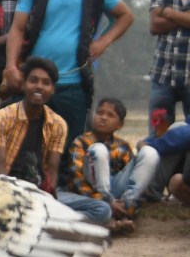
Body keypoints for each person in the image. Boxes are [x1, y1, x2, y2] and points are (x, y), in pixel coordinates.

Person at [3, 0, 134, 186]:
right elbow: (17, 29)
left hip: (74, 85)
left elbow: (125, 16)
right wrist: (10, 66)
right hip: (34, 83)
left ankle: (64, 202)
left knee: (67, 150)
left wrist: (103, 42)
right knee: (24, 146)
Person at [59, 97, 159, 233]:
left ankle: (125, 209)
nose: (103, 118)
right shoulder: (80, 142)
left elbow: (131, 178)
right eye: (100, 113)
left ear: (120, 125)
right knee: (98, 149)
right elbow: (77, 181)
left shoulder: (123, 146)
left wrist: (129, 206)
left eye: (110, 115)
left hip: (116, 193)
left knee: (149, 152)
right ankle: (112, 214)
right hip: (93, 193)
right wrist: (105, 201)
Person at [0, 57, 65, 193]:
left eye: (46, 83)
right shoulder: (2, 117)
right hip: (4, 189)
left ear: (52, 89)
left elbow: (52, 172)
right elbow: (0, 169)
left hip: (39, 193)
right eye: (33, 81)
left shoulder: (58, 124)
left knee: (100, 208)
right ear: (23, 84)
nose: (39, 86)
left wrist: (49, 202)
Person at [148, 0, 190, 128]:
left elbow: (161, 16)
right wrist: (185, 17)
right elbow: (154, 25)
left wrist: (169, 12)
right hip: (163, 72)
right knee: (158, 136)